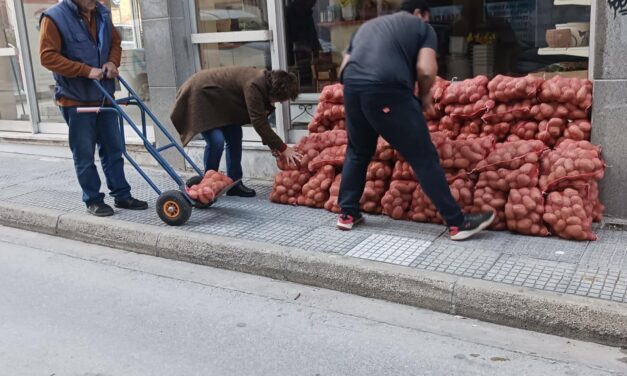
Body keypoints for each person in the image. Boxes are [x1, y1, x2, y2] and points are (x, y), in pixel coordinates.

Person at [336, 0, 495, 240]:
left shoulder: (367, 27)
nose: (429, 22)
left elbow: (342, 70)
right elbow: (426, 69)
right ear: (420, 13)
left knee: (358, 151)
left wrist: (362, 89)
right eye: (428, 16)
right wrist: (423, 97)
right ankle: (457, 223)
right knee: (423, 155)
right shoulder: (422, 27)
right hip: (388, 89)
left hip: (352, 87)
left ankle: (347, 214)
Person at [39, 0, 148, 217]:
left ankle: (122, 195)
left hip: (104, 96)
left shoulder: (103, 13)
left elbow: (115, 43)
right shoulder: (54, 17)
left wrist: (112, 62)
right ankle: (93, 199)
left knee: (114, 149)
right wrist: (84, 70)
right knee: (84, 154)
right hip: (75, 100)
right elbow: (47, 56)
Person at [171, 67, 302, 197]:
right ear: (277, 91)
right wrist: (283, 148)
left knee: (234, 136)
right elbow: (259, 122)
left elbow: (261, 119)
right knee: (217, 141)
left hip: (221, 102)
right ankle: (208, 184)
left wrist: (274, 145)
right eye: (280, 100)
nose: (277, 103)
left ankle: (234, 184)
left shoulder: (265, 81)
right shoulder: (254, 85)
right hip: (200, 95)